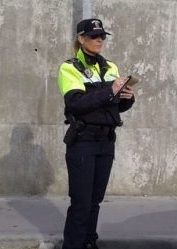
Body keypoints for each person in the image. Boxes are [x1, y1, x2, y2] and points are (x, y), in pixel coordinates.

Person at [57, 18, 135, 249]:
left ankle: (89, 243)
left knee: (95, 202)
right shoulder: (69, 68)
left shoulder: (110, 67)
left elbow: (115, 106)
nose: (99, 40)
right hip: (83, 141)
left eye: (102, 36)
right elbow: (76, 104)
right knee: (81, 202)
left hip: (106, 141)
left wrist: (127, 98)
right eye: (94, 36)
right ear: (81, 39)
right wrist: (108, 90)